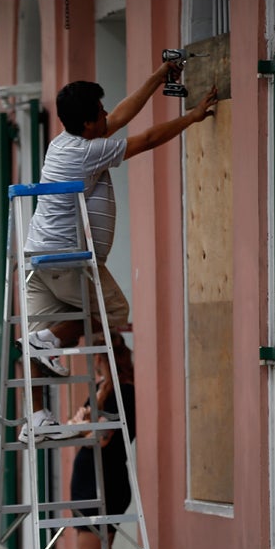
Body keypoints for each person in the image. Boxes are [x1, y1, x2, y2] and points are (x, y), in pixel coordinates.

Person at [18, 63, 218, 441]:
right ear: (89, 122)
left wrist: (156, 78)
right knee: (111, 311)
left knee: (39, 333)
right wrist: (191, 118)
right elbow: (145, 140)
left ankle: (38, 416)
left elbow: (123, 114)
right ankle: (47, 343)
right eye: (100, 111)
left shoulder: (66, 142)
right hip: (67, 257)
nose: (107, 115)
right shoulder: (85, 153)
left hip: (39, 255)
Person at [33, 332, 136, 549]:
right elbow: (83, 428)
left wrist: (79, 426)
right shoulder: (104, 389)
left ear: (104, 355)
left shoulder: (122, 391)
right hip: (91, 483)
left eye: (95, 353)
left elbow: (99, 436)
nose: (90, 359)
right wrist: (80, 426)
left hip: (102, 486)